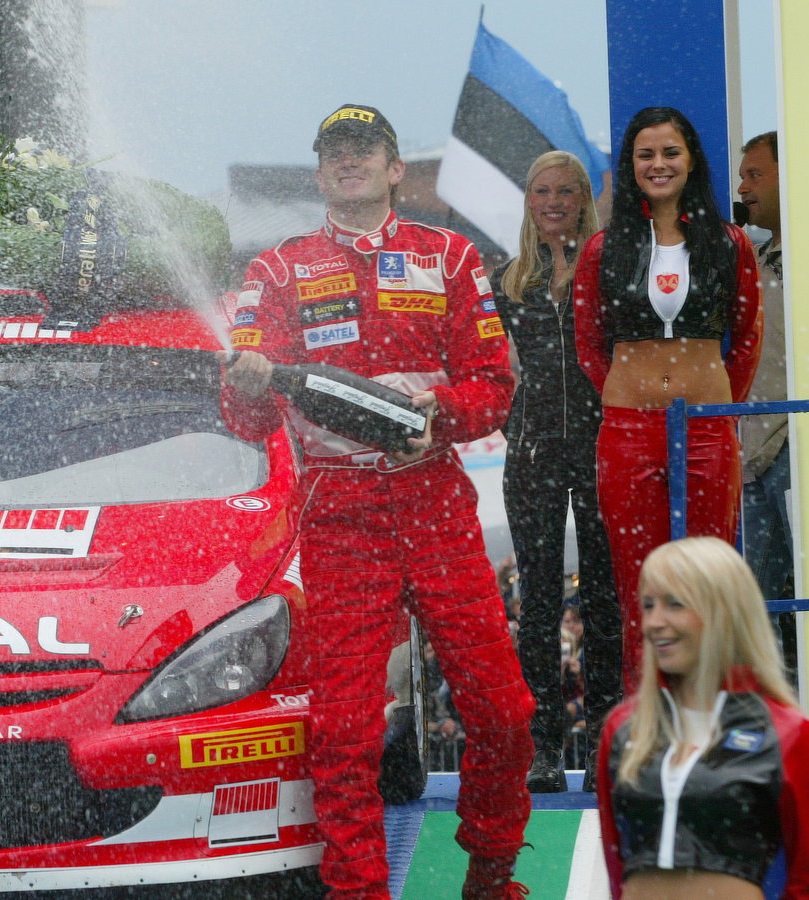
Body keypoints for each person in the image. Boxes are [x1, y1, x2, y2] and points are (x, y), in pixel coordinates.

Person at [225, 103, 533, 899]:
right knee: (341, 729)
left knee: (502, 709)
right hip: (340, 511)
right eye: (334, 151)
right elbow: (249, 418)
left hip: (434, 499)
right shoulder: (277, 271)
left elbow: (495, 387)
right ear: (320, 171)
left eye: (365, 149)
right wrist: (246, 384)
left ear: (397, 169)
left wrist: (441, 418)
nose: (349, 160)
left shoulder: (451, 256)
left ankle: (493, 873)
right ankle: (358, 889)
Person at [573, 107, 762, 702]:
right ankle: (648, 723)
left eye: (670, 153)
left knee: (708, 579)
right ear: (630, 167)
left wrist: (711, 402)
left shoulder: (730, 243)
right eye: (645, 155)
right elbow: (588, 344)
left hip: (706, 430)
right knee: (641, 584)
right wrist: (629, 394)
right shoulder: (603, 248)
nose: (659, 165)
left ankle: (714, 716)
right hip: (628, 431)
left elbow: (748, 338)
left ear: (691, 161)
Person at [494, 150, 621, 793]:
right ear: (527, 199)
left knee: (605, 600)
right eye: (541, 190)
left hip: (601, 451)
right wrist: (511, 426)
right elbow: (486, 373)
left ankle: (604, 744)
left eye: (565, 191)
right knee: (539, 605)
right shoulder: (505, 280)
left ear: (582, 199)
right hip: (535, 456)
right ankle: (542, 750)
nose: (553, 202)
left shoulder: (609, 268)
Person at [596, 536, 809, 898]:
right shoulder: (624, 728)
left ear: (724, 612)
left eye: (675, 604)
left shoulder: (788, 733)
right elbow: (616, 865)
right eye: (648, 605)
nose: (654, 622)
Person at [735, 132, 792, 606]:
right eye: (741, 177)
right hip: (754, 452)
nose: (743, 189)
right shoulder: (750, 260)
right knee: (754, 606)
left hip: (799, 444)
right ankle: (764, 683)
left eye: (755, 175)